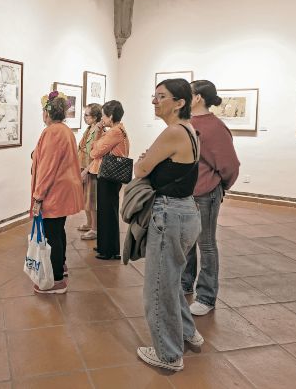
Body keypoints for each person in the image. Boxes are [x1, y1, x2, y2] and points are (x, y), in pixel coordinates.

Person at [133, 78, 203, 372]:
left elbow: (141, 168)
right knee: (171, 280)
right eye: (154, 95)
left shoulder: (174, 131)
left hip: (169, 214)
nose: (154, 101)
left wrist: (145, 161)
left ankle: (169, 355)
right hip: (186, 211)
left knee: (158, 287)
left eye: (160, 96)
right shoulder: (189, 130)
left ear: (179, 103)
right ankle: (188, 333)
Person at [181, 80, 240, 316]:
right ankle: (185, 282)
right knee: (187, 241)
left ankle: (206, 295)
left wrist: (218, 185)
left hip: (205, 193)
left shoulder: (213, 127)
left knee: (205, 244)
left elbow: (229, 165)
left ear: (197, 98)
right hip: (187, 192)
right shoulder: (187, 124)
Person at [30, 90, 83, 294]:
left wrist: (38, 196)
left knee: (52, 234)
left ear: (47, 113)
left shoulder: (52, 132)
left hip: (54, 191)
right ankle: (61, 266)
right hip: (62, 189)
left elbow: (47, 167)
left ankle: (57, 281)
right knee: (57, 230)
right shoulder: (64, 130)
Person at [89, 100, 129, 260]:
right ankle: (104, 246)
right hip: (109, 174)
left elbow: (95, 151)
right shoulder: (118, 129)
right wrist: (99, 134)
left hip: (109, 175)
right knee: (106, 211)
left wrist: (95, 143)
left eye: (104, 116)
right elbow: (98, 147)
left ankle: (110, 250)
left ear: (111, 116)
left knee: (108, 212)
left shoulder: (114, 132)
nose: (102, 120)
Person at [76, 103, 103, 240]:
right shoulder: (89, 129)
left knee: (92, 199)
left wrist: (86, 170)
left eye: (87, 115)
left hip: (92, 169)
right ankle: (88, 223)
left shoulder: (99, 131)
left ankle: (95, 228)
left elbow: (98, 154)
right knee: (85, 197)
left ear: (95, 116)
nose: (84, 117)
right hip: (84, 166)